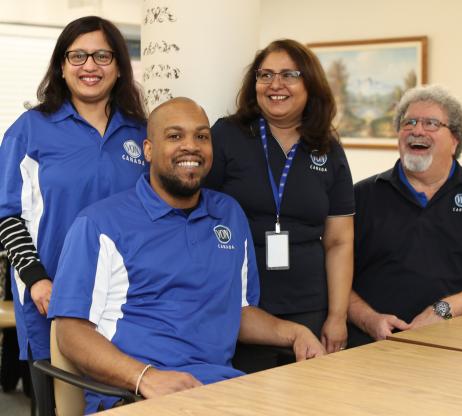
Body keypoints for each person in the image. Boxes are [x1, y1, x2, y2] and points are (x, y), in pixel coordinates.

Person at [48, 97, 325, 413]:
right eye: (175, 136)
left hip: (221, 391)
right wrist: (145, 377)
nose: (190, 146)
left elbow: (239, 311)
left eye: (201, 136)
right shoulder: (99, 224)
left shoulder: (229, 215)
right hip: (133, 395)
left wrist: (295, 332)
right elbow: (71, 332)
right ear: (149, 150)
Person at [0, 16, 147, 412]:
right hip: (54, 297)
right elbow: (6, 215)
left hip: (127, 300)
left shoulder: (141, 132)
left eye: (102, 55)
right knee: (57, 406)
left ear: (118, 67)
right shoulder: (29, 130)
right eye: (77, 55)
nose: (90, 66)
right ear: (61, 67)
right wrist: (36, 280)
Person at [204, 39, 354, 371]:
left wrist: (337, 316)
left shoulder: (327, 147)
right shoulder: (228, 135)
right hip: (241, 306)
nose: (275, 84)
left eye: (289, 74)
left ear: (310, 84)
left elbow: (339, 241)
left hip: (310, 305)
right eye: (265, 75)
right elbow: (196, 215)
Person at [348, 84, 462, 347]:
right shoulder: (361, 196)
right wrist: (368, 319)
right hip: (373, 345)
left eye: (431, 123)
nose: (417, 130)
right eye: (409, 122)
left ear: (455, 140)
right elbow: (335, 277)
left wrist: (444, 309)